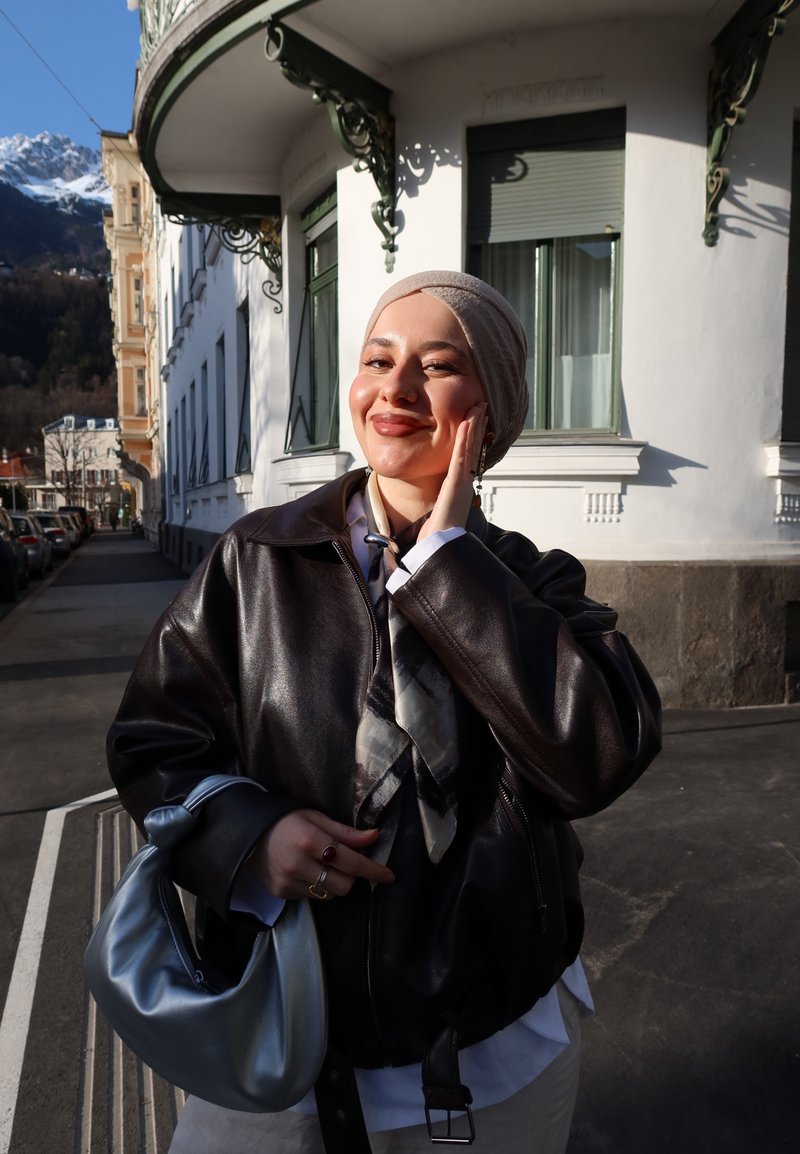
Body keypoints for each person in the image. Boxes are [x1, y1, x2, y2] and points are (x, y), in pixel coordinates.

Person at [107, 270, 661, 1154]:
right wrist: (249, 837)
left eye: (437, 366)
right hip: (275, 1050)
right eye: (378, 359)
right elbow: (152, 742)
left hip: (490, 1067)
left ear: (492, 407)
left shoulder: (537, 587)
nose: (396, 389)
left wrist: (446, 565)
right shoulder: (257, 561)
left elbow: (594, 755)